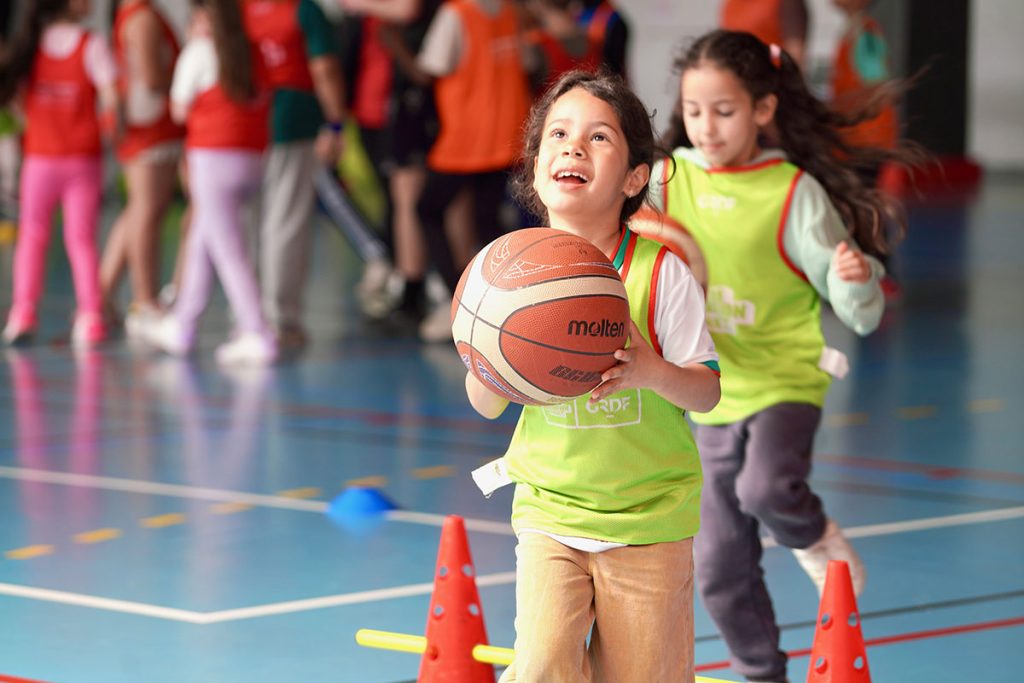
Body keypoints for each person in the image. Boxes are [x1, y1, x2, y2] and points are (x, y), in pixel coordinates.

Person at [653, 29, 916, 683]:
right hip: (712, 393)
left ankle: (814, 533)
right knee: (717, 566)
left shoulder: (793, 192)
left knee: (765, 487)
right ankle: (763, 673)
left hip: (786, 379)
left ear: (763, 109)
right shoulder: (666, 181)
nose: (706, 127)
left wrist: (856, 280)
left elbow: (861, 311)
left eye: (724, 111)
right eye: (693, 111)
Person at [466, 70, 721, 682]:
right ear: (536, 168)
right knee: (540, 667)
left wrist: (652, 371)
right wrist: (496, 351)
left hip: (649, 519)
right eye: (558, 134)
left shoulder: (660, 274)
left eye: (599, 137)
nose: (574, 147)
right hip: (551, 510)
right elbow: (485, 404)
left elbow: (707, 390)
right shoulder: (507, 278)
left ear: (634, 178)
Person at [141, 0, 276, 364]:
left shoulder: (200, 52)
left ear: (206, 17)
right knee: (203, 238)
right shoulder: (254, 53)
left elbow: (178, 110)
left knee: (228, 249)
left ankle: (257, 331)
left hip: (212, 160)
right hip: (251, 158)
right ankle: (183, 324)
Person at [0, 0, 119, 347]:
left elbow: (16, 97)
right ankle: (91, 316)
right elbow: (112, 100)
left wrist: (32, 117)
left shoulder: (31, 46)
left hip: (41, 160)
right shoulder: (92, 45)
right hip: (83, 160)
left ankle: (23, 312)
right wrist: (113, 132)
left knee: (32, 236)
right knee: (81, 239)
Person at [412, 0, 532, 342]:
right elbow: (529, 62)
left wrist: (395, 46)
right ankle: (513, 302)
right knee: (487, 221)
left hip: (466, 138)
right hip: (507, 133)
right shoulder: (509, 11)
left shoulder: (456, 13)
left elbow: (429, 68)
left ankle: (457, 300)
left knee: (427, 209)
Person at [241, 0, 347, 350]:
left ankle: (248, 315)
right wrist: (335, 123)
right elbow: (324, 68)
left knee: (250, 222)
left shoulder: (240, 9)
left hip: (245, 122)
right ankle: (279, 319)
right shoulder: (303, 9)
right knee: (284, 221)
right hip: (292, 120)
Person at [100, 0, 186, 338]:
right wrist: (188, 76)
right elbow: (152, 78)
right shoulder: (142, 17)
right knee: (148, 211)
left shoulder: (134, 14)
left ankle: (103, 295)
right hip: (151, 128)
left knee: (140, 209)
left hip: (146, 127)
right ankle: (144, 299)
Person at [720, 0, 809, 68]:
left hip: (770, 78)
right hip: (737, 76)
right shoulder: (732, 4)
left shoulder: (788, 3)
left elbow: (795, 54)